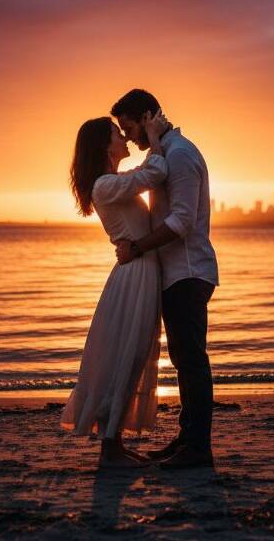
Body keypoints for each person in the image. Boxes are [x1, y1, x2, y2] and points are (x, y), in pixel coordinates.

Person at [111, 89, 219, 469]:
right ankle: (187, 439)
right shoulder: (165, 152)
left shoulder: (181, 154)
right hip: (175, 273)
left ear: (146, 117)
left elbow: (182, 221)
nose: (127, 138)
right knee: (183, 358)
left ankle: (198, 448)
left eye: (129, 128)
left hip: (188, 271)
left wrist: (138, 247)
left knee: (191, 360)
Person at [60, 110, 170, 469]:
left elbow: (145, 176)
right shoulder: (105, 185)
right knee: (129, 353)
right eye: (116, 133)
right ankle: (111, 446)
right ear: (103, 146)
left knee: (133, 353)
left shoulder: (113, 181)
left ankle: (114, 441)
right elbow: (155, 173)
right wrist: (154, 137)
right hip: (134, 274)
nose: (124, 137)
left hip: (139, 270)